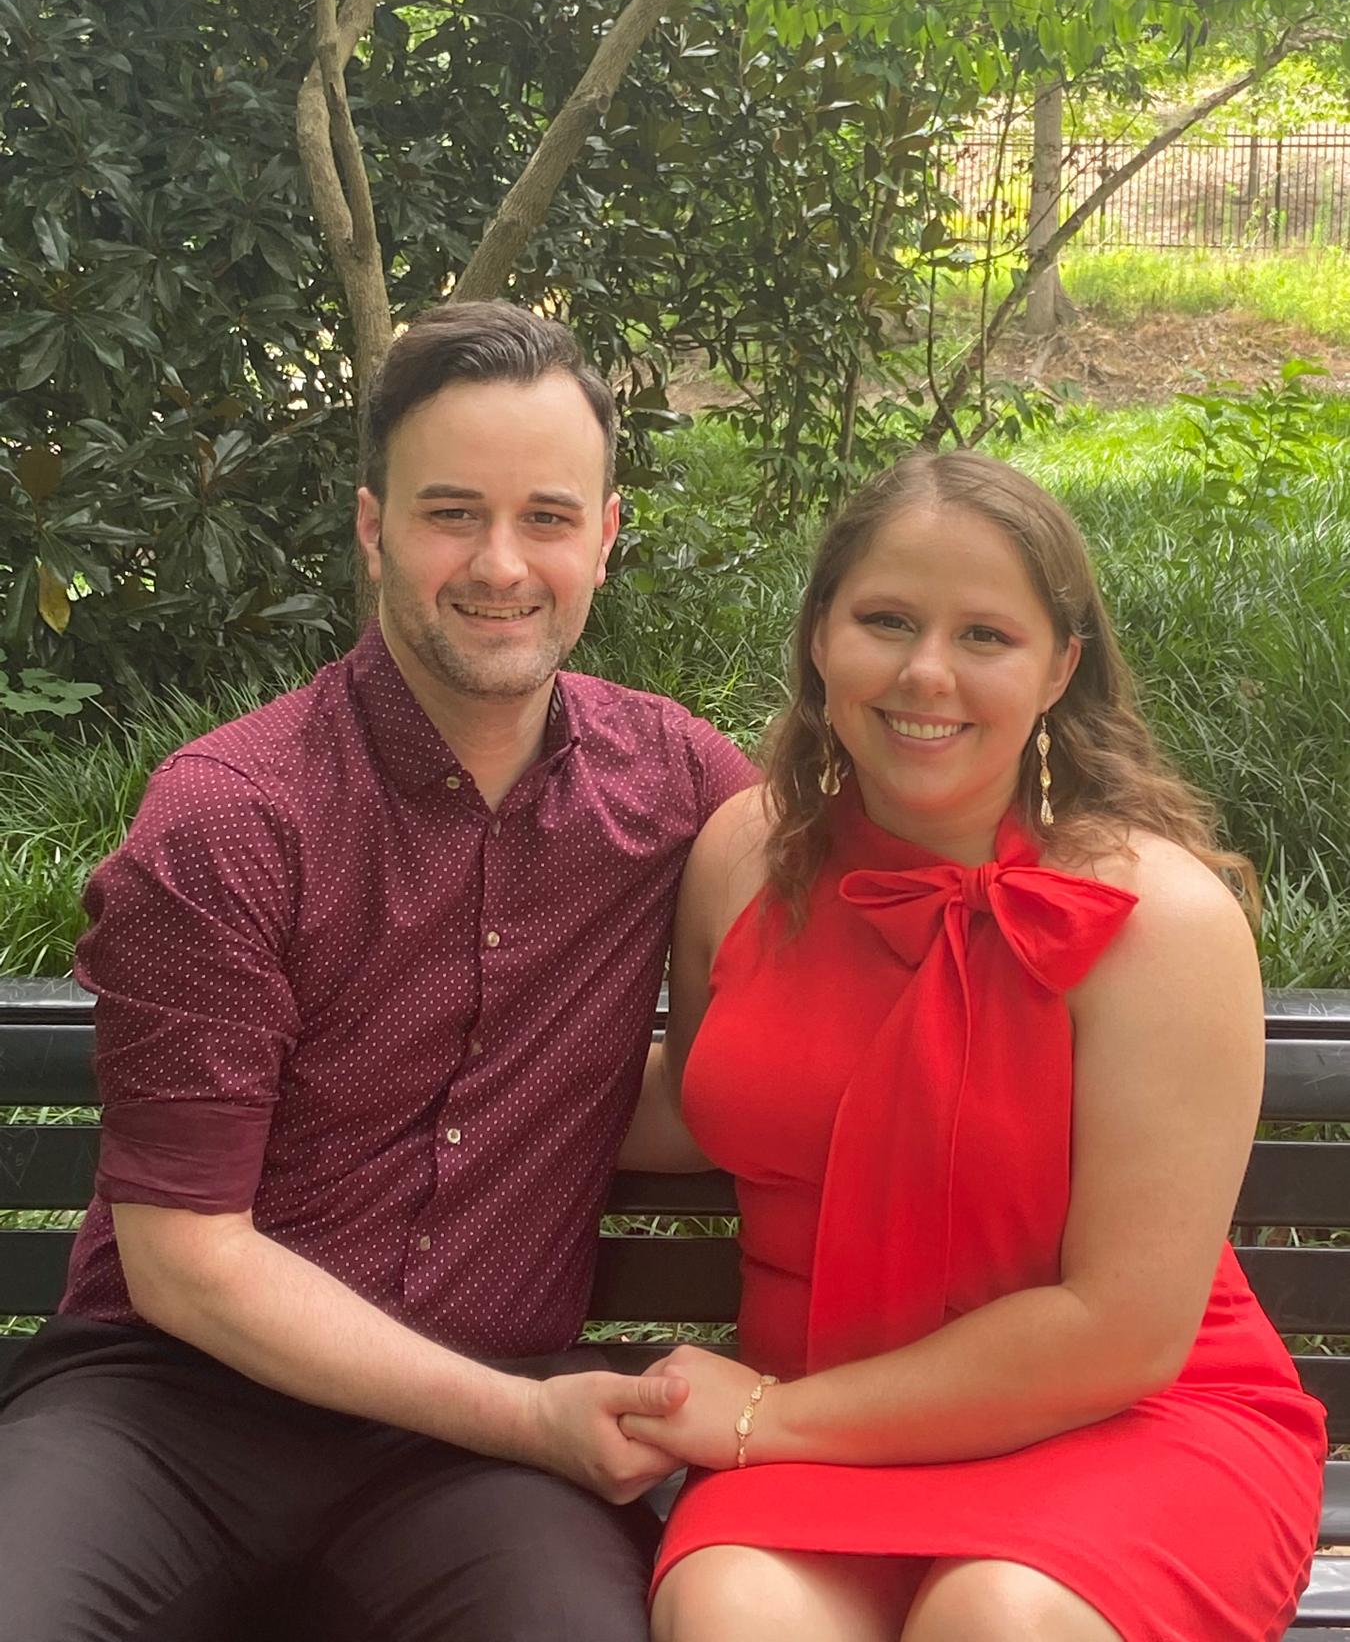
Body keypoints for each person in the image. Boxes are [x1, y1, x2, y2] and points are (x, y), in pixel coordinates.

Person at [0, 301, 758, 1642]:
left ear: (605, 536)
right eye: (450, 513)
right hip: (174, 1410)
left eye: (546, 517)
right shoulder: (234, 816)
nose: (500, 563)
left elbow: (880, 883)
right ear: (371, 530)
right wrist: (534, 1417)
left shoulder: (682, 787)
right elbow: (186, 1264)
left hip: (470, 1466)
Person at [620, 450, 1327, 1642]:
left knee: (997, 1617)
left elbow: (1123, 1331)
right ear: (819, 641)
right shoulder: (743, 855)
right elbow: (696, 1104)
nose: (927, 672)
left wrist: (760, 1426)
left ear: (1061, 668)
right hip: (821, 1435)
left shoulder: (1160, 920)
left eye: (986, 636)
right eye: (886, 620)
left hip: (1116, 1425)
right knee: (739, 1613)